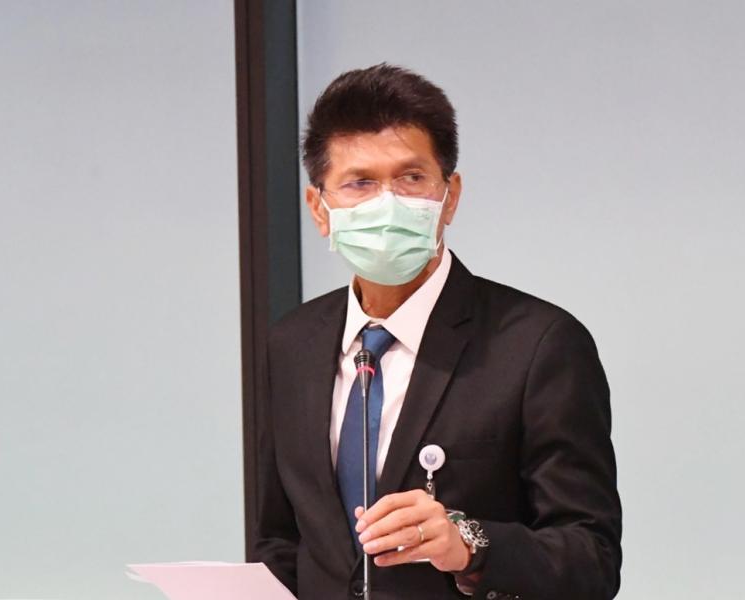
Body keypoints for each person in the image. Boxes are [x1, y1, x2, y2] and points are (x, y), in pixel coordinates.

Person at [254, 63, 621, 600]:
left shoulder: (538, 344)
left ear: (450, 196)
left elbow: (592, 557)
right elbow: (281, 539)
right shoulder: (292, 344)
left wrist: (470, 546)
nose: (388, 204)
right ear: (319, 208)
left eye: (411, 178)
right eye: (360, 183)